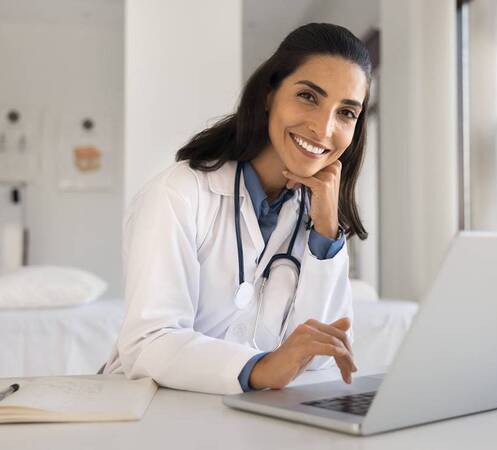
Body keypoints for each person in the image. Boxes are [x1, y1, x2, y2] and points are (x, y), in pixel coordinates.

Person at [103, 22, 372, 395]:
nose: (323, 128)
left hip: (251, 419)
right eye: (309, 96)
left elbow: (325, 355)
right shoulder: (180, 192)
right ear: (268, 94)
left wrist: (327, 231)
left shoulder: (315, 215)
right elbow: (148, 341)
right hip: (156, 414)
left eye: (346, 113)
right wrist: (259, 368)